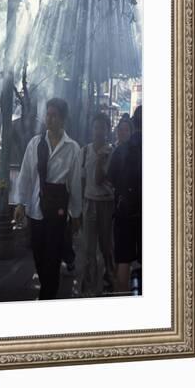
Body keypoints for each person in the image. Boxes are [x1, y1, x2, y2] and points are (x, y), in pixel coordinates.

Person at [14, 98, 82, 300]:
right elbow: (25, 175)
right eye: (48, 114)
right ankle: (47, 289)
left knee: (52, 258)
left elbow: (75, 184)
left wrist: (76, 214)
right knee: (38, 255)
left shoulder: (73, 149)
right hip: (35, 210)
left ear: (63, 119)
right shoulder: (35, 144)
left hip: (58, 212)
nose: (49, 119)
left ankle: (47, 297)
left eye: (54, 115)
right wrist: (20, 203)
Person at [105, 105, 142, 293]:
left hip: (124, 212)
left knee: (123, 261)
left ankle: (122, 299)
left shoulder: (121, 151)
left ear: (134, 125)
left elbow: (109, 179)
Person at [81, 113, 115, 294]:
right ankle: (89, 285)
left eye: (102, 127)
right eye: (95, 127)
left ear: (107, 130)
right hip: (89, 203)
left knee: (106, 247)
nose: (98, 131)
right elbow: (82, 179)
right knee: (88, 248)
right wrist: (79, 206)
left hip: (106, 205)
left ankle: (109, 278)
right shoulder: (84, 151)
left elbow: (104, 177)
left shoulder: (112, 152)